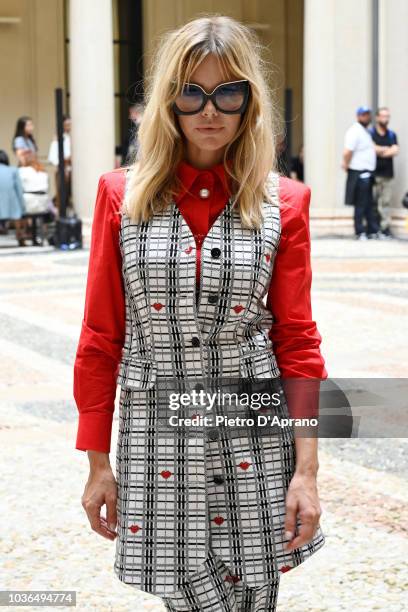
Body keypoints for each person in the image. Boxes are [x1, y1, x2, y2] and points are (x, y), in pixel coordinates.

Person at [73, 15, 327, 611]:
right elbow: (100, 336)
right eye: (192, 92)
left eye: (227, 92)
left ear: (248, 103)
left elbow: (297, 339)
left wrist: (307, 471)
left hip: (254, 435)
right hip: (153, 435)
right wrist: (96, 461)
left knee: (253, 593)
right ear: (169, 103)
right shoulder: (121, 194)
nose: (209, 110)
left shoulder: (284, 202)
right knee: (185, 594)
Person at [343, 106, 381, 240]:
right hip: (359, 173)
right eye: (364, 115)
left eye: (368, 114)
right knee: (360, 204)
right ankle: (360, 231)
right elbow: (348, 151)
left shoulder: (366, 131)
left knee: (369, 203)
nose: (367, 117)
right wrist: (346, 165)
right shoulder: (354, 131)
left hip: (367, 173)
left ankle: (372, 230)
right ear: (358, 116)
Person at [369, 107, 399, 238]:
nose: (385, 119)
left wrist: (380, 151)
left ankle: (385, 228)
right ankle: (374, 228)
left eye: (387, 116)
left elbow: (395, 150)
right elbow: (371, 148)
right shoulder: (371, 133)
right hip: (373, 173)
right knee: (374, 202)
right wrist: (386, 149)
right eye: (383, 116)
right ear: (377, 118)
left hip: (388, 174)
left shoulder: (392, 135)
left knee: (385, 202)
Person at [0, 150, 27, 246]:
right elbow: (19, 189)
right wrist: (22, 205)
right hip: (11, 203)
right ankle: (20, 235)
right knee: (17, 212)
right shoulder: (13, 170)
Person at [48, 115, 72, 212]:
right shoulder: (58, 138)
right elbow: (52, 158)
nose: (69, 127)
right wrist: (66, 160)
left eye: (70, 125)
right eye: (67, 125)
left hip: (72, 171)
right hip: (63, 170)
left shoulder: (72, 137)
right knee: (61, 197)